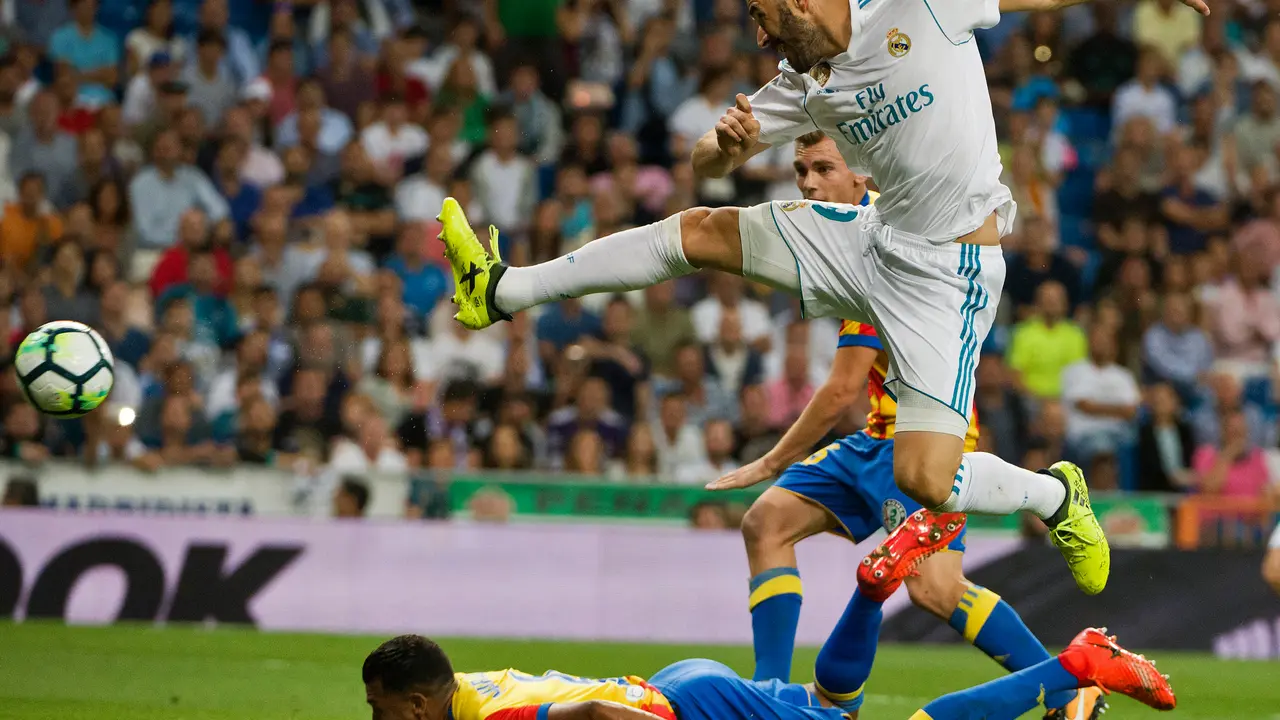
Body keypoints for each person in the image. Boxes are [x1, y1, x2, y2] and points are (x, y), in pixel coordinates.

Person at [433, 0, 1211, 596]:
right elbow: (705, 161)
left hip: (950, 273)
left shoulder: (918, 9)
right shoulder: (802, 84)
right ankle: (503, 290)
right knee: (703, 228)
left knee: (926, 481)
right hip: (871, 239)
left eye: (763, 18)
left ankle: (1054, 494)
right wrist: (725, 148)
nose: (762, 40)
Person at [706, 133, 1101, 719]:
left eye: (822, 170)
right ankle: (768, 697)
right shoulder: (845, 242)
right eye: (800, 172)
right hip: (876, 438)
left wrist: (771, 459)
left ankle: (1073, 689)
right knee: (766, 523)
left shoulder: (881, 249)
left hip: (925, 444)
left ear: (863, 179)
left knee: (936, 588)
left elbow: (843, 384)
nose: (808, 184)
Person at [360, 515, 1176, 720]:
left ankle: (1080, 663)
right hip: (684, 686)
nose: (377, 719)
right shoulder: (462, 689)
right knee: (831, 707)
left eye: (383, 712)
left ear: (420, 705)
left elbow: (598, 714)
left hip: (681, 706)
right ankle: (868, 589)